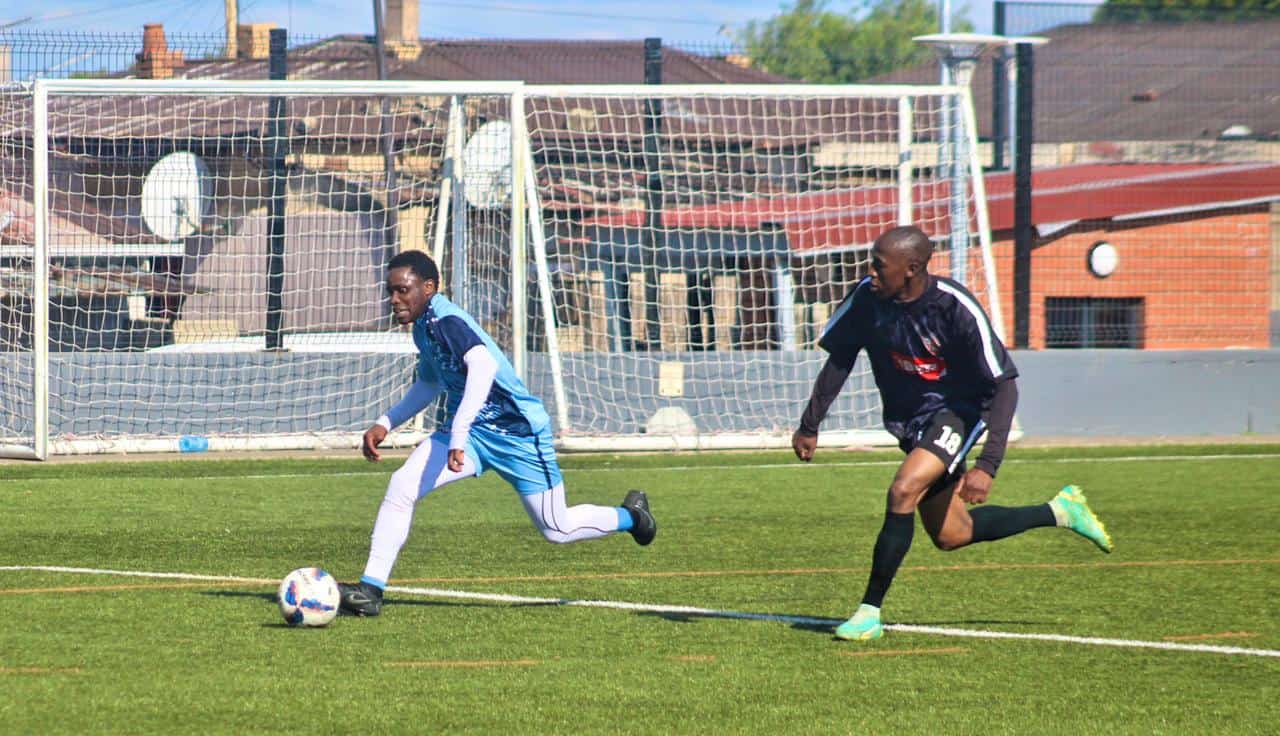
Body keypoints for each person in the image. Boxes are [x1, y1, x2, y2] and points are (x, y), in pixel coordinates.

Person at [792, 225, 1111, 642]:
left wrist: (988, 465)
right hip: (909, 421)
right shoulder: (868, 300)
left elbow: (1003, 385)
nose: (869, 271)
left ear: (912, 269)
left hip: (957, 413)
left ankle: (869, 613)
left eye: (878, 265)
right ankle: (1061, 511)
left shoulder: (954, 307)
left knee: (903, 489)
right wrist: (810, 423)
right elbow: (841, 359)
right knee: (951, 534)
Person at [339, 250, 656, 617]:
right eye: (390, 291)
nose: (395, 300)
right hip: (473, 436)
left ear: (429, 287)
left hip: (518, 434)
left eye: (403, 290)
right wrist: (386, 422)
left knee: (557, 528)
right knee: (402, 486)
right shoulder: (424, 329)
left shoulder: (446, 321)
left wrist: (458, 434)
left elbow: (484, 365)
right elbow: (428, 382)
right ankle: (370, 591)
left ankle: (632, 517)